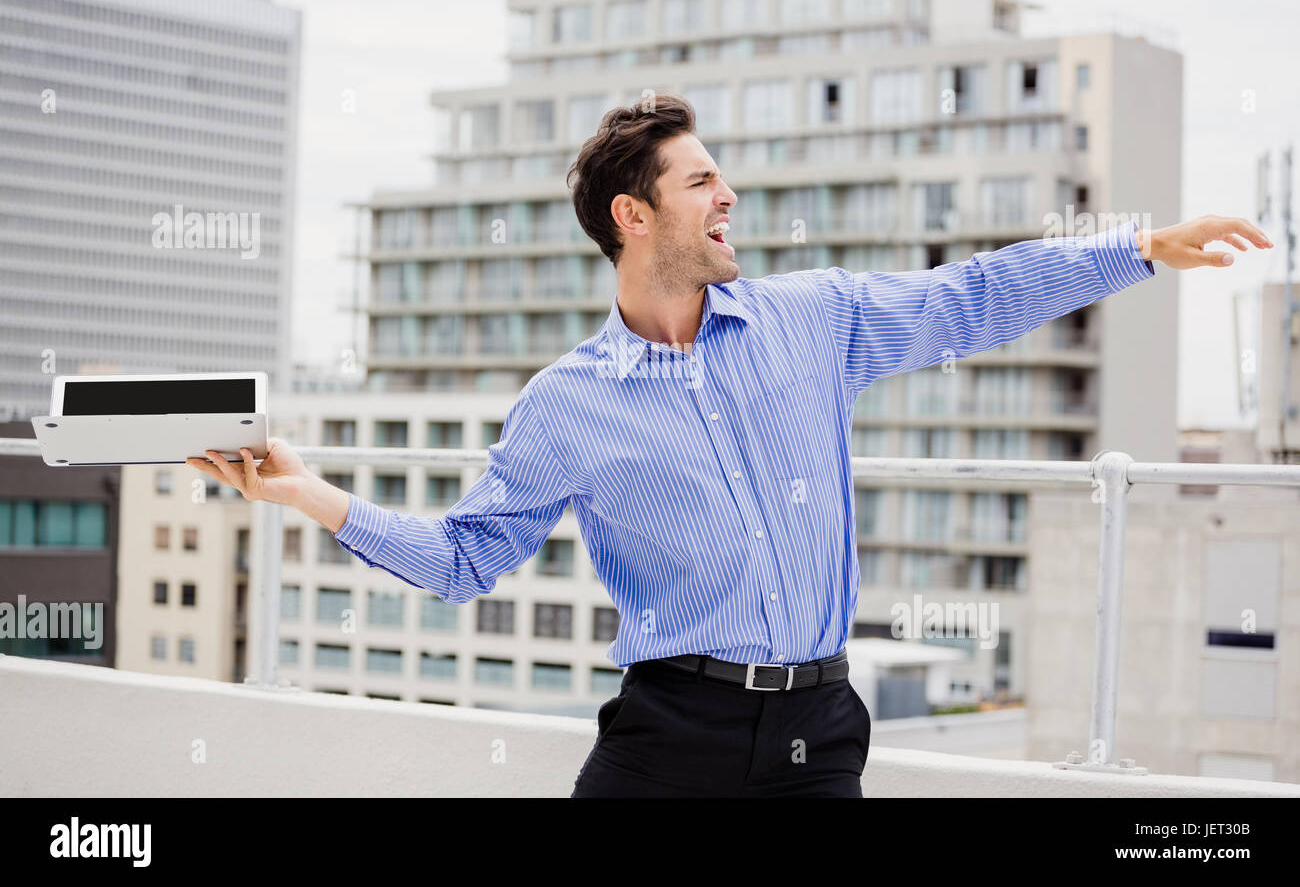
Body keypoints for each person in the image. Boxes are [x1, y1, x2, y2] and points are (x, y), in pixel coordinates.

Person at [189, 92, 1271, 798]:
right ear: (634, 215)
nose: (730, 196)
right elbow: (467, 559)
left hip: (816, 727)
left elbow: (966, 298)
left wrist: (1135, 248)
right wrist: (310, 494)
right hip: (669, 734)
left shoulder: (812, 317)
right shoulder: (567, 402)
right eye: (701, 181)